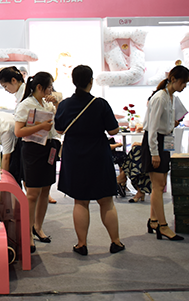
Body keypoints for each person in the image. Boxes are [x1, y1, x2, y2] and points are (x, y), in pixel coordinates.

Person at [54, 65, 124, 255]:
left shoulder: (65, 104)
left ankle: (81, 244)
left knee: (80, 201)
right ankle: (116, 242)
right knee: (106, 201)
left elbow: (59, 130)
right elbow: (113, 130)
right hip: (98, 154)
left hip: (74, 156)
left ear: (73, 81)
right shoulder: (100, 104)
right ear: (91, 81)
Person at [141, 65, 189, 241]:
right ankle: (162, 226)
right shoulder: (160, 98)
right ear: (173, 79)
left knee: (161, 183)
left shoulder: (170, 97)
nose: (184, 86)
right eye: (183, 82)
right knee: (158, 185)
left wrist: (172, 124)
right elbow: (152, 128)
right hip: (155, 142)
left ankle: (154, 220)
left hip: (165, 141)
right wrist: (154, 153)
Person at [14, 72, 59, 252]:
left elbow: (57, 126)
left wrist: (56, 105)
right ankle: (27, 233)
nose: (51, 90)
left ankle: (38, 227)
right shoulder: (26, 104)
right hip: (32, 150)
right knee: (32, 193)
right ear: (39, 87)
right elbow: (18, 132)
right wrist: (41, 126)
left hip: (49, 148)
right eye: (49, 87)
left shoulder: (47, 104)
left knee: (46, 189)